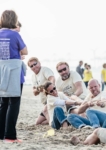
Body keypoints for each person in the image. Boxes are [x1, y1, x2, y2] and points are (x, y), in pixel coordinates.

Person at [0, 10, 28, 143]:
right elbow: (25, 51)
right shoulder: (14, 34)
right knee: (14, 103)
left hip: (1, 73)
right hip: (14, 73)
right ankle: (10, 136)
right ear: (14, 20)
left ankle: (1, 134)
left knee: (3, 103)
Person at [28, 57, 55, 125]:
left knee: (50, 121)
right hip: (44, 102)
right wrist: (38, 89)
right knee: (38, 123)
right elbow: (34, 93)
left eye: (35, 64)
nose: (34, 66)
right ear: (30, 68)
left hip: (51, 100)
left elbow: (52, 79)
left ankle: (54, 123)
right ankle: (55, 119)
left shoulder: (44, 70)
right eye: (31, 66)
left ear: (39, 63)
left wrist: (48, 88)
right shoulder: (33, 77)